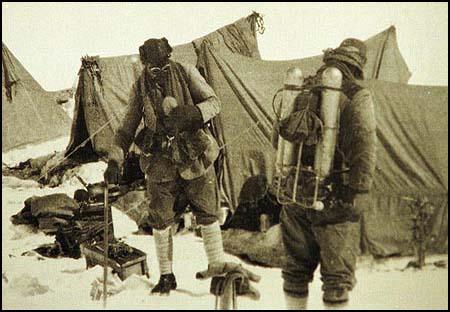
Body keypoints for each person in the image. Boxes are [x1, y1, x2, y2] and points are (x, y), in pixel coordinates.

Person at [104, 37, 226, 295]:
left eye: (164, 66)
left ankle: (217, 269)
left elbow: (214, 103)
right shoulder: (139, 87)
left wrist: (194, 113)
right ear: (145, 65)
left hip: (195, 156)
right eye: (153, 69)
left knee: (207, 213)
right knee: (160, 219)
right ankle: (167, 276)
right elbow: (126, 129)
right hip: (160, 163)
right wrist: (115, 159)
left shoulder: (187, 72)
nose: (159, 73)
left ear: (169, 58)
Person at [279, 38, 377, 307]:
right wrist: (360, 191)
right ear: (358, 64)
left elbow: (282, 134)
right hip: (335, 199)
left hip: (294, 192)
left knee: (295, 274)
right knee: (336, 280)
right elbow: (365, 145)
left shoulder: (303, 88)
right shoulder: (358, 94)